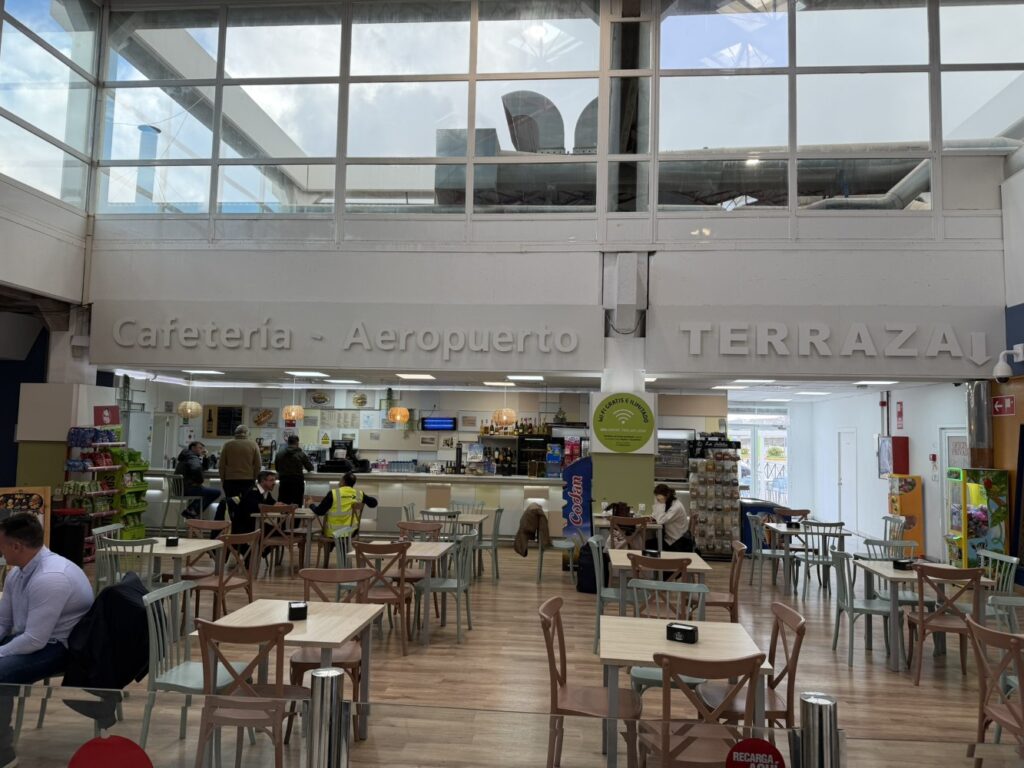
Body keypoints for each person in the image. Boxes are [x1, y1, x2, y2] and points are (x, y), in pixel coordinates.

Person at [0, 514, 93, 768]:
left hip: (60, 646)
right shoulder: (16, 574)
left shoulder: (51, 577)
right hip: (33, 636)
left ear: (16, 546)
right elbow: (3, 623)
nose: (0, 550)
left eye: (2, 544)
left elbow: (34, 640)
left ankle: (3, 753)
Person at [230, 469, 280, 566]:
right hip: (245, 526)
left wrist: (282, 505)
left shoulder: (266, 492)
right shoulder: (252, 492)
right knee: (278, 533)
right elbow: (259, 508)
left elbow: (273, 504)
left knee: (280, 532)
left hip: (256, 524)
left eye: (274, 480)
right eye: (271, 480)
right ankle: (257, 552)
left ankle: (259, 552)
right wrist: (274, 506)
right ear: (262, 481)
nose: (274, 483)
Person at [311, 472, 378, 537]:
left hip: (333, 532)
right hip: (351, 532)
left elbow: (320, 512)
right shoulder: (359, 494)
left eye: (340, 480)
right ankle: (343, 547)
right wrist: (363, 499)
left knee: (327, 534)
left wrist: (311, 504)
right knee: (343, 538)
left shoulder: (333, 493)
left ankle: (334, 547)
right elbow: (374, 503)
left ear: (343, 482)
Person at [218, 424, 262, 523]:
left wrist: (223, 479)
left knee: (231, 504)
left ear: (235, 433)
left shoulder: (228, 444)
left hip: (230, 480)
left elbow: (221, 465)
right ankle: (243, 528)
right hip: (248, 480)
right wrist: (254, 478)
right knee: (246, 504)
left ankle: (230, 527)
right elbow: (258, 465)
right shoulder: (253, 445)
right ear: (247, 433)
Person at [174, 441, 220, 518]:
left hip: (180, 489)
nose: (202, 450)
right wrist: (200, 481)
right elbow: (196, 468)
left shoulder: (187, 456)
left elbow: (202, 468)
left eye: (202, 448)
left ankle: (191, 511)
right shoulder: (192, 457)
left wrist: (205, 457)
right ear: (193, 448)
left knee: (204, 491)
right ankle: (192, 511)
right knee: (216, 492)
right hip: (187, 489)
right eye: (200, 448)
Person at [650, 483, 693, 552]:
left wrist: (661, 503)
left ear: (667, 495)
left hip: (678, 542)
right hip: (670, 539)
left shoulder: (676, 507)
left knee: (648, 545)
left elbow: (661, 520)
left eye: (659, 499)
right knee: (648, 542)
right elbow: (655, 515)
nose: (657, 500)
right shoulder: (668, 503)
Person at [274, 435, 313, 506]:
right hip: (297, 482)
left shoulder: (279, 454)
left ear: (288, 442)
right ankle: (296, 517)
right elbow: (310, 468)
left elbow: (276, 468)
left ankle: (282, 517)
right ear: (297, 443)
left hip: (284, 482)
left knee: (283, 504)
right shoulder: (300, 454)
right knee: (297, 504)